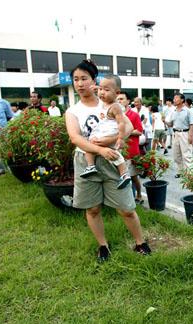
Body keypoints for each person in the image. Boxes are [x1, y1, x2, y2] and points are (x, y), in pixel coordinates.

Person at [65, 59, 151, 260]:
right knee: (93, 208)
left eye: (84, 78)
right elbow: (75, 138)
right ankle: (103, 245)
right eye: (76, 79)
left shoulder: (110, 104)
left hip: (112, 159)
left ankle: (140, 242)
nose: (79, 84)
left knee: (126, 208)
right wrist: (99, 150)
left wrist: (109, 141)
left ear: (94, 80)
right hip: (86, 162)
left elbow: (128, 128)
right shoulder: (72, 111)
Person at [79, 74, 131, 190]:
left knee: (103, 150)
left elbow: (121, 123)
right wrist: (95, 88)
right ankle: (122, 174)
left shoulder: (115, 106)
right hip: (102, 134)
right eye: (100, 89)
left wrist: (120, 138)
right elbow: (99, 88)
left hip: (109, 134)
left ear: (117, 93)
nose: (102, 92)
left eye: (106, 90)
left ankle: (123, 173)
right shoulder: (104, 103)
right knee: (94, 146)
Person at [117, 91, 145, 205]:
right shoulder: (115, 115)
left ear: (128, 101)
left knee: (133, 176)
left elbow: (139, 131)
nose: (119, 101)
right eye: (117, 99)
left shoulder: (134, 115)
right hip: (119, 151)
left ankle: (139, 195)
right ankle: (127, 198)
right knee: (121, 177)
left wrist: (125, 132)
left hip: (131, 151)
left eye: (122, 99)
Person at [165, 93, 193, 178]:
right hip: (175, 134)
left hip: (184, 133)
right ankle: (180, 171)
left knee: (186, 154)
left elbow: (192, 124)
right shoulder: (173, 111)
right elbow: (171, 124)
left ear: (182, 100)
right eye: (174, 98)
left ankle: (190, 173)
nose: (174, 100)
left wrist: (191, 136)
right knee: (176, 154)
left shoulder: (188, 111)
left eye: (176, 98)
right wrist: (165, 121)